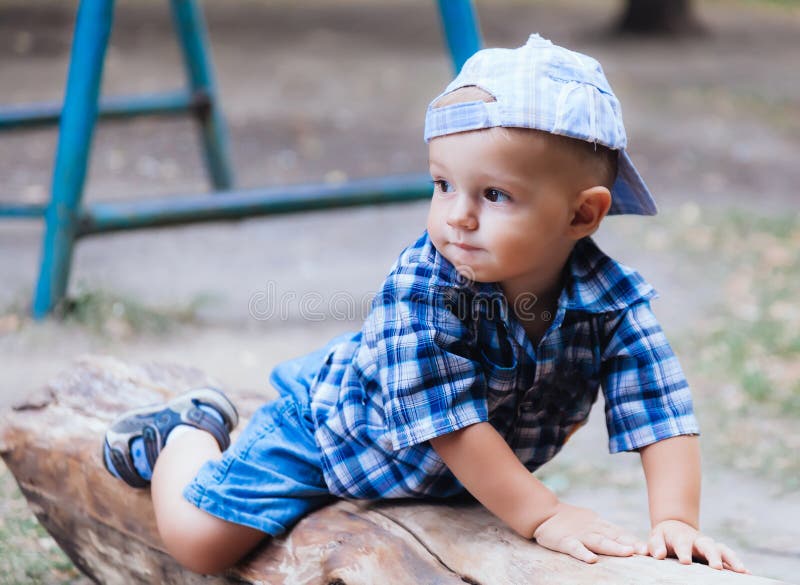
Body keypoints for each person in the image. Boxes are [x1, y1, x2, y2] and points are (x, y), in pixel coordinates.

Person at [103, 34, 749, 575]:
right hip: (334, 437)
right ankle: (189, 430)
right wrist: (546, 513)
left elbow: (662, 411)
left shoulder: (613, 304)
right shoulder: (423, 291)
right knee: (200, 541)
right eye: (443, 184)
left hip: (449, 482)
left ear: (583, 212)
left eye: (494, 194)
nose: (457, 215)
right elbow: (454, 427)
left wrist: (674, 522)